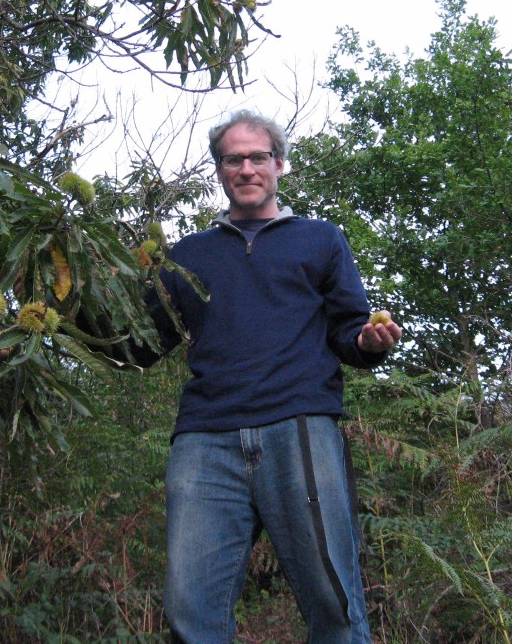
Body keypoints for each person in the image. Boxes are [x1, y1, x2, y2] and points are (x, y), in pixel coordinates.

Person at [132, 110, 401, 643]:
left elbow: (350, 330)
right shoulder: (187, 255)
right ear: (220, 170)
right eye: (234, 159)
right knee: (190, 607)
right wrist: (66, 301)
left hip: (299, 429)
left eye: (258, 157)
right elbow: (139, 344)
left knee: (333, 597)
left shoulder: (320, 240)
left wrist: (368, 342)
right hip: (206, 438)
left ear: (279, 164)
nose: (247, 168)